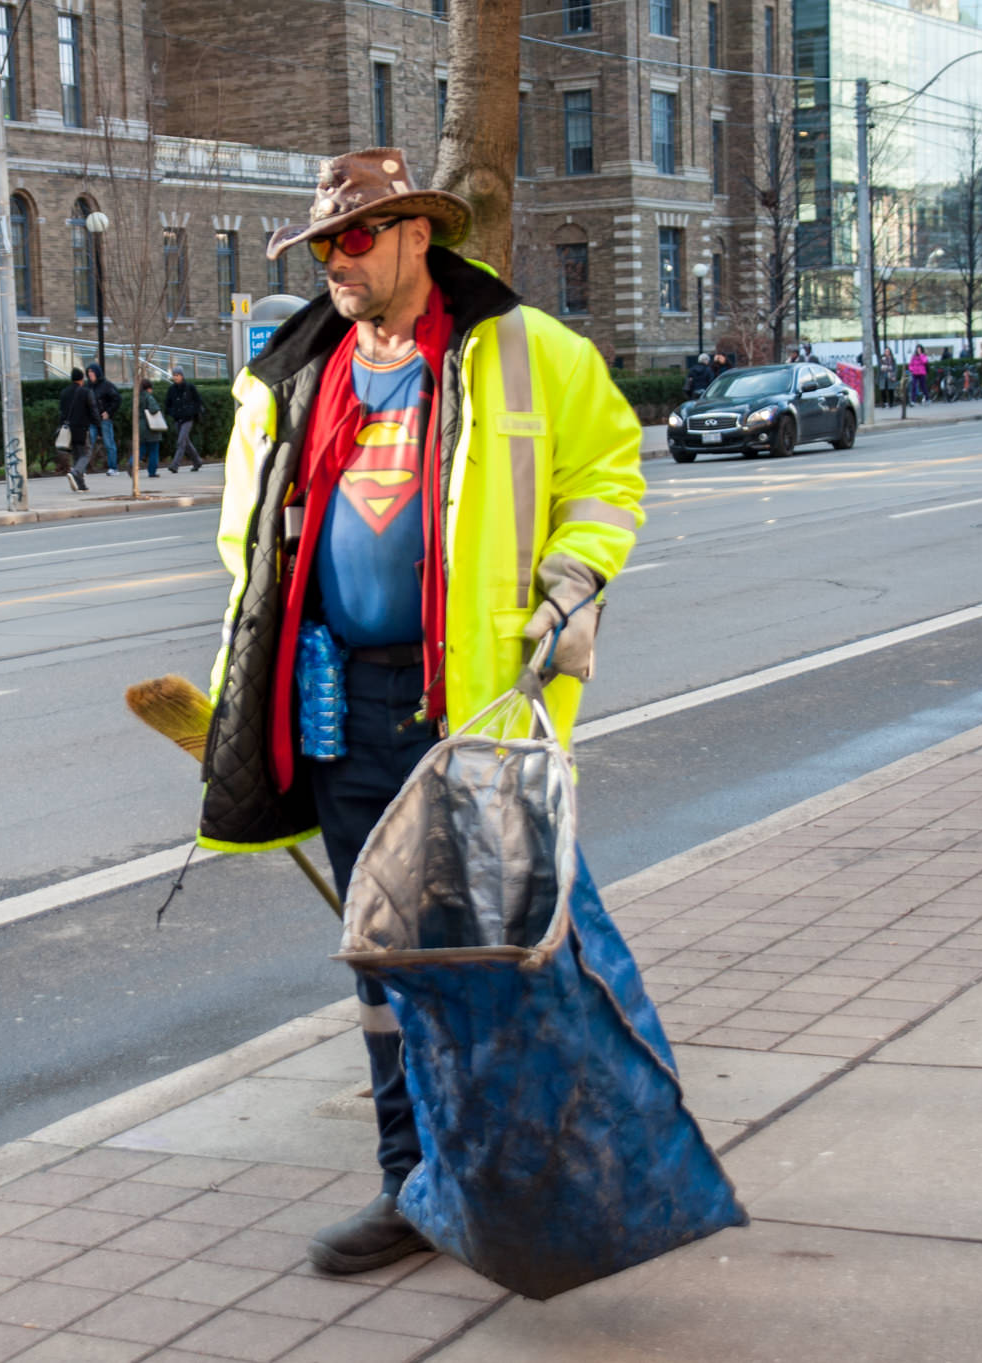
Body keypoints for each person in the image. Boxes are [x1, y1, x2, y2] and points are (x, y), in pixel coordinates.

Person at [194, 147, 644, 1277]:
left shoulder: (525, 353)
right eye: (323, 244)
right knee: (381, 963)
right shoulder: (294, 373)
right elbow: (245, 543)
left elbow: (607, 473)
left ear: (415, 236)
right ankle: (413, 1185)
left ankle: (517, 1179)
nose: (335, 262)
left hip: (462, 704)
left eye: (355, 238)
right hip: (335, 696)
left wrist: (574, 577)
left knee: (482, 961)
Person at [59, 368, 95, 491]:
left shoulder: (64, 392)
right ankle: (76, 472)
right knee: (86, 453)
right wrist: (98, 424)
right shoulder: (85, 392)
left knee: (77, 455)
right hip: (82, 427)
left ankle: (81, 484)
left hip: (68, 429)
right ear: (81, 379)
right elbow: (92, 410)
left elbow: (62, 411)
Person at [165, 367, 205, 472]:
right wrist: (172, 413)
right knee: (186, 442)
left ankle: (175, 465)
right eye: (174, 375)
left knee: (181, 441)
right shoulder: (172, 389)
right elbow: (167, 404)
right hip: (177, 419)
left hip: (188, 419)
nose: (175, 377)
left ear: (182, 376)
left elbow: (198, 401)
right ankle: (197, 461)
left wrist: (191, 411)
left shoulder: (190, 387)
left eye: (177, 375)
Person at [86, 362, 122, 474]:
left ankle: (113, 467)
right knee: (88, 444)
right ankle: (81, 467)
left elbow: (117, 399)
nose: (90, 374)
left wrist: (109, 412)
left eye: (92, 372)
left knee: (109, 443)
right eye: (89, 372)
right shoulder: (87, 386)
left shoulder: (107, 385)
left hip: (104, 419)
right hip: (92, 419)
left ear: (97, 373)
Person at [135, 375, 165, 477]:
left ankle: (131, 463)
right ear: (149, 388)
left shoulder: (137, 397)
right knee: (153, 450)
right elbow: (154, 409)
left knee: (141, 449)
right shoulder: (149, 397)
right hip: (151, 427)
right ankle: (152, 472)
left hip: (140, 427)